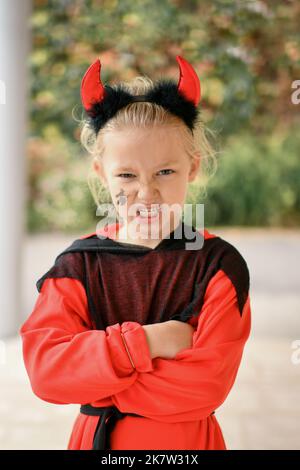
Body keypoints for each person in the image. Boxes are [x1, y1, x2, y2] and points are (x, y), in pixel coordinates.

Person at [19, 55, 251, 450]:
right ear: (101, 173)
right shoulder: (77, 266)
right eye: (127, 174)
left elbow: (206, 387)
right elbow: (46, 374)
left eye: (165, 171)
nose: (146, 193)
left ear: (192, 168)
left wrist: (97, 383)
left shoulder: (218, 266)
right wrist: (147, 343)